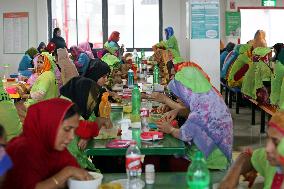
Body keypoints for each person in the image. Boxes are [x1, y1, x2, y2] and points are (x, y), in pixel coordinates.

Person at [152, 61, 233, 170]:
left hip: (207, 163)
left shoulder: (200, 110)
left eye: (180, 94)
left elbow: (185, 134)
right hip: (220, 158)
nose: (179, 98)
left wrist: (170, 129)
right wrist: (177, 111)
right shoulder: (210, 98)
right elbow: (199, 119)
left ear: (186, 91)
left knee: (159, 159)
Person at [2, 98, 93, 189]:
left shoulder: (53, 147)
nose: (71, 137)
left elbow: (76, 172)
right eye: (67, 129)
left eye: (74, 130)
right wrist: (67, 173)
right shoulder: (21, 150)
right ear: (49, 124)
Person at [218, 111, 284, 189]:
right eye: (268, 138)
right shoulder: (274, 165)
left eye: (276, 142)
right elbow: (249, 156)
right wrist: (232, 176)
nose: (267, 148)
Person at [60, 77, 113, 169]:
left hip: (75, 161)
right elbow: (84, 127)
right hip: (67, 166)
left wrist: (87, 136)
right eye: (91, 97)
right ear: (82, 93)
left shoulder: (76, 103)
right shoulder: (65, 106)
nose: (92, 102)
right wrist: (100, 121)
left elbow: (89, 122)